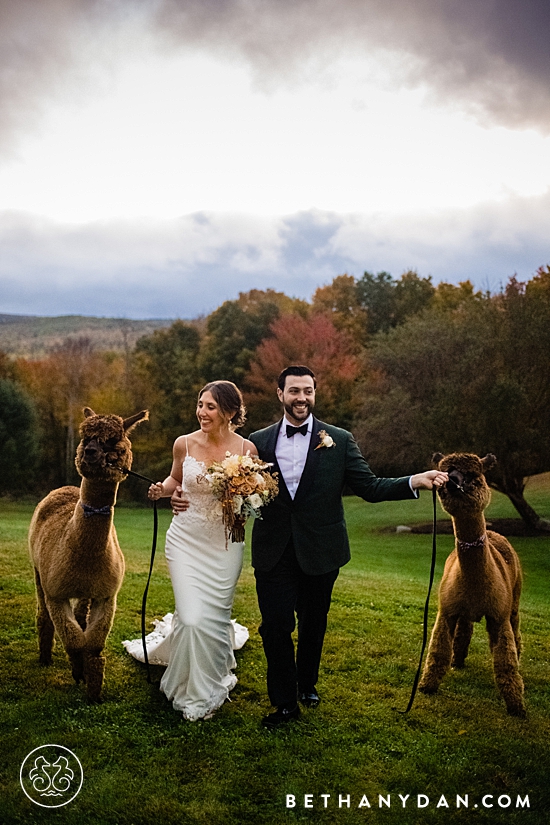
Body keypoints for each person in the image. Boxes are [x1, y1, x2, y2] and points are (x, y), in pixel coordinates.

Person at [247, 365, 448, 729]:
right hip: (273, 549)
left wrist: (414, 480)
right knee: (274, 626)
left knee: (313, 622)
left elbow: (369, 487)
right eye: (294, 391)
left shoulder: (338, 439)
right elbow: (240, 489)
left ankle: (306, 682)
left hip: (322, 549)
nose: (301, 398)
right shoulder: (256, 441)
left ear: (314, 393)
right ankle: (285, 704)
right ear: (280, 395)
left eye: (307, 391)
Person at [130, 380, 258, 721]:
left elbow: (250, 502)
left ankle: (211, 678)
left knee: (213, 618)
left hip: (225, 544)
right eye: (200, 404)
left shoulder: (247, 450)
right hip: (185, 540)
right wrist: (163, 490)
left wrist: (244, 503)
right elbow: (175, 480)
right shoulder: (183, 444)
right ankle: (188, 685)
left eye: (211, 406)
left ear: (230, 412)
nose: (202, 412)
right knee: (189, 616)